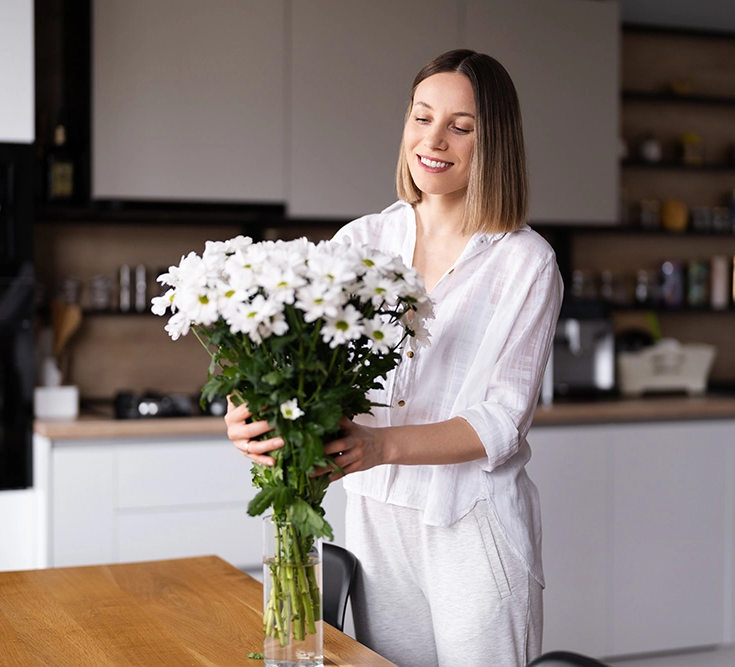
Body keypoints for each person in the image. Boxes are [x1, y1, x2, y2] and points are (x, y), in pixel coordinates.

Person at [225, 49, 562, 667]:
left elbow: (502, 422)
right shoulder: (361, 243)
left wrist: (381, 446)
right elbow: (294, 353)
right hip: (376, 521)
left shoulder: (525, 262)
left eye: (461, 127)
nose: (433, 140)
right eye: (421, 117)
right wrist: (247, 406)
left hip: (472, 527)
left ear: (496, 144)